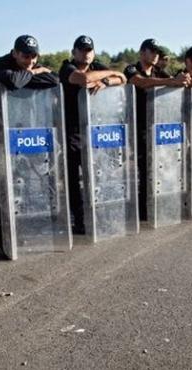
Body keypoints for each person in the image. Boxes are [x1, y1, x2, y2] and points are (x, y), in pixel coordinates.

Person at [0, 35, 58, 253]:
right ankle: (1, 238)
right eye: (25, 56)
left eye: (34, 57)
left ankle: (18, 232)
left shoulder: (29, 66)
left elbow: (53, 80)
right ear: (14, 52)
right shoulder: (0, 64)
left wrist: (27, 75)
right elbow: (14, 82)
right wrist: (33, 74)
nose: (30, 61)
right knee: (2, 186)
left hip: (21, 134)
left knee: (21, 184)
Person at [58, 35, 127, 234]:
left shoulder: (97, 66)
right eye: (81, 50)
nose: (85, 53)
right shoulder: (67, 67)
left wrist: (106, 80)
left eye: (89, 50)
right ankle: (79, 221)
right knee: (73, 180)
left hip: (94, 131)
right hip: (71, 132)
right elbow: (83, 79)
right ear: (74, 52)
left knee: (97, 175)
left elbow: (122, 78)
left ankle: (100, 216)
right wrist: (110, 74)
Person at [124, 38, 190, 220]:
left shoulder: (160, 72)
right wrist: (172, 81)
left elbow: (175, 82)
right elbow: (139, 82)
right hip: (138, 128)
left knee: (158, 168)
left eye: (158, 52)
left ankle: (157, 205)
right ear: (142, 52)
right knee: (142, 170)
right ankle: (141, 209)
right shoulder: (132, 69)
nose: (156, 55)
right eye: (152, 51)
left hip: (157, 128)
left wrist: (180, 80)